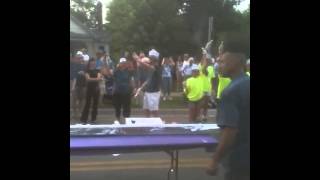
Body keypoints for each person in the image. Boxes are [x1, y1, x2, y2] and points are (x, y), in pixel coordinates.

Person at [206, 37, 250, 180]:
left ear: (236, 62)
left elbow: (230, 131)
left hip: (239, 159)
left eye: (223, 61)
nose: (219, 65)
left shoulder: (230, 92)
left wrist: (215, 160)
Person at [134, 49, 162, 118]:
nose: (149, 58)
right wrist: (140, 88)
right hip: (147, 92)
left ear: (155, 59)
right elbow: (148, 80)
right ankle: (148, 124)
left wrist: (138, 60)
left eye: (150, 57)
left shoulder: (156, 67)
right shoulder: (150, 69)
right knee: (146, 110)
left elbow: (149, 67)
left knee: (154, 111)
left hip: (154, 93)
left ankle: (157, 126)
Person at [80, 58, 104, 124]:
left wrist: (94, 79)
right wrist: (97, 79)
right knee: (87, 104)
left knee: (95, 104)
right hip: (89, 88)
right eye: (91, 62)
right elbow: (87, 79)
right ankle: (84, 119)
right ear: (89, 62)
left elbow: (99, 78)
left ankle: (93, 119)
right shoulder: (87, 70)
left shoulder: (97, 70)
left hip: (96, 89)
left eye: (94, 62)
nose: (93, 63)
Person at [112, 58, 136, 124]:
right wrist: (113, 90)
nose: (123, 64)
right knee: (117, 106)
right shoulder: (116, 71)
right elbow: (114, 81)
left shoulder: (129, 71)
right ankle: (117, 119)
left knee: (126, 106)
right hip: (118, 91)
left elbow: (131, 80)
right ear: (119, 64)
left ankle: (126, 120)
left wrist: (134, 89)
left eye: (124, 63)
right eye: (122, 63)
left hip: (126, 91)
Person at [199, 56, 215, 122]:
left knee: (206, 103)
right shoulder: (200, 66)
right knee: (201, 103)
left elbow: (210, 76)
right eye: (206, 60)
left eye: (208, 60)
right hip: (201, 87)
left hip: (208, 87)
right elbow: (203, 71)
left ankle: (204, 116)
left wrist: (213, 88)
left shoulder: (211, 68)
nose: (208, 61)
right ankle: (199, 115)